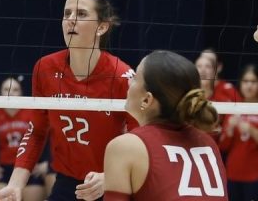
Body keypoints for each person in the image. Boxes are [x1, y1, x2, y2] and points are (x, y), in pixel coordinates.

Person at [0, 0, 136, 201]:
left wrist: (111, 177)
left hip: (112, 184)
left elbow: (141, 140)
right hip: (68, 184)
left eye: (81, 14)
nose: (71, 20)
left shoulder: (122, 76)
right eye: (67, 13)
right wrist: (15, 184)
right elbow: (36, 131)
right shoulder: (45, 68)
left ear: (102, 27)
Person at [102, 50, 227, 200]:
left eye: (135, 78)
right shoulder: (208, 142)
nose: (128, 81)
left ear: (146, 100)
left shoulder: (124, 147)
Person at [0, 78, 47, 201]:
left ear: (21, 93)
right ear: (0, 93)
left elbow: (52, 136)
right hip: (6, 168)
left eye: (15, 90)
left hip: (30, 167)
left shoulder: (31, 113)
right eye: (6, 89)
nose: (11, 93)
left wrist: (46, 164)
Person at [219, 64, 258, 201]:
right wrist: (229, 130)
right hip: (232, 174)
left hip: (254, 175)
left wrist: (251, 130)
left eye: (253, 81)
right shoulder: (234, 108)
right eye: (245, 81)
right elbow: (223, 147)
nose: (249, 85)